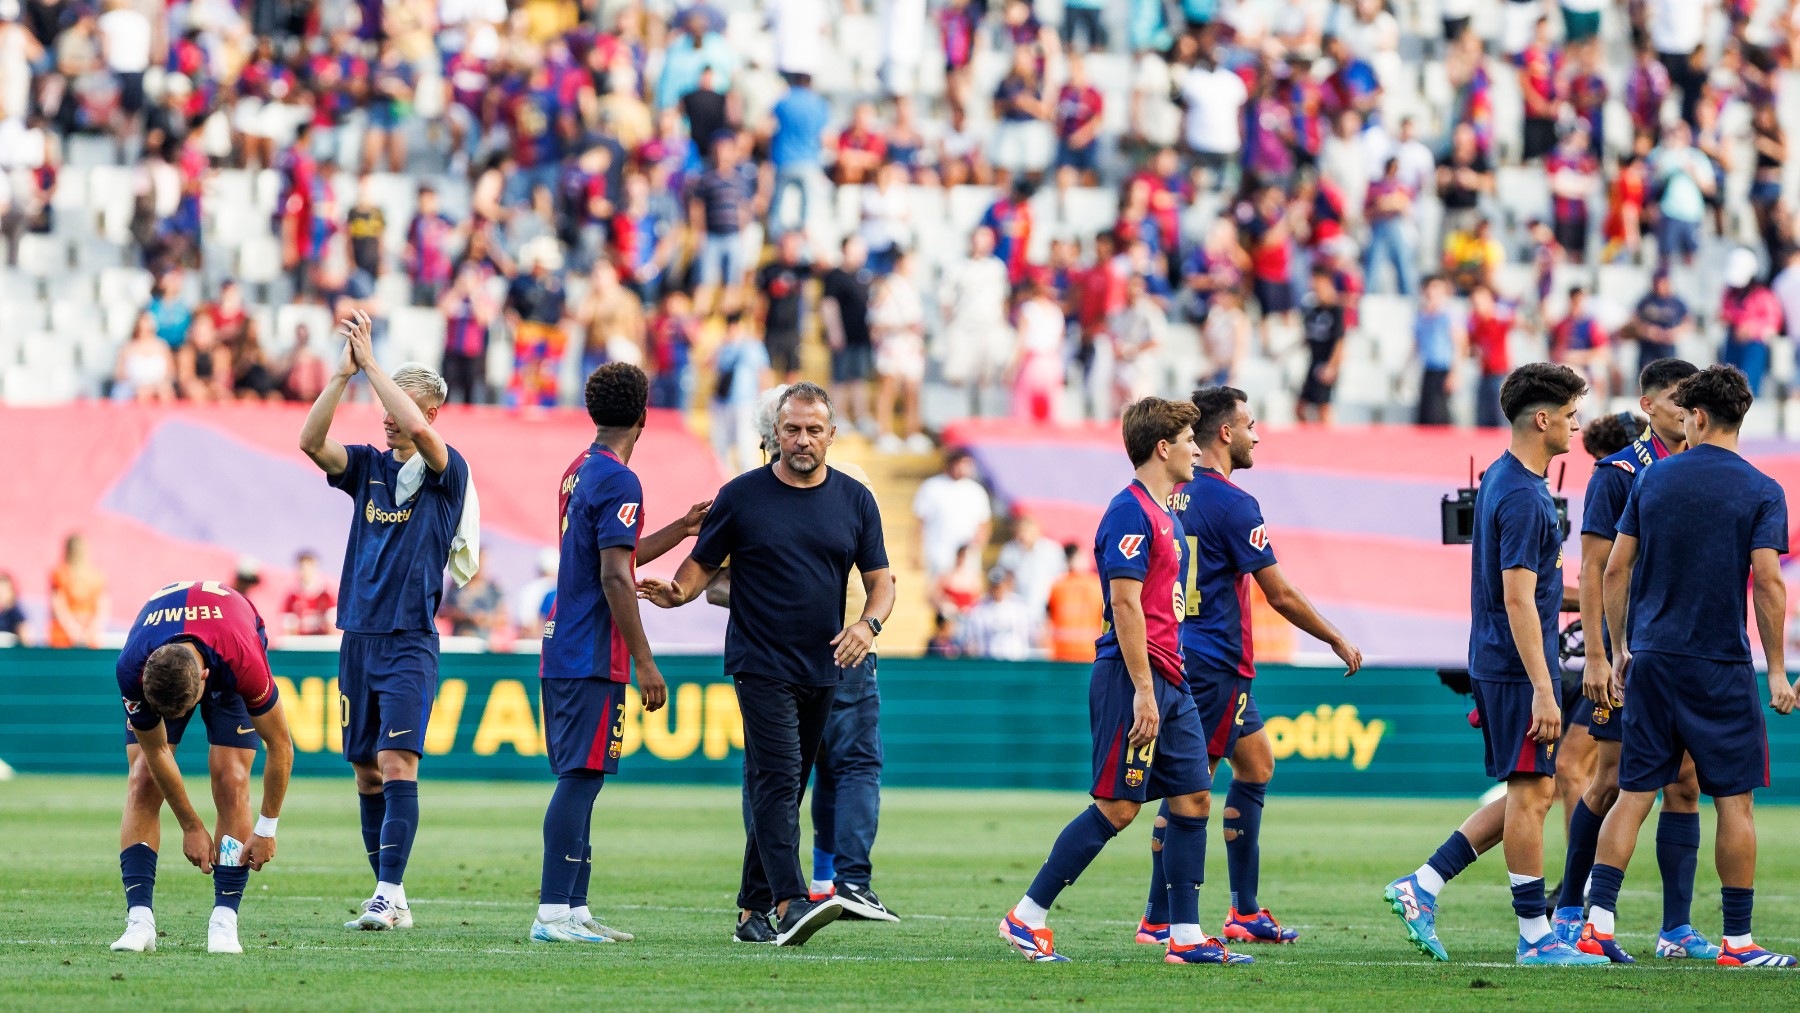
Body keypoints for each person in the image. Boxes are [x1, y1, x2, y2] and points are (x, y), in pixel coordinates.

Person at [638, 382, 894, 947]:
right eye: (791, 429)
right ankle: (791, 901)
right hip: (760, 662)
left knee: (784, 785)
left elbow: (881, 583)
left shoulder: (856, 499)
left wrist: (866, 625)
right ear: (774, 434)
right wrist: (676, 593)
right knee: (778, 780)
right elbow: (700, 568)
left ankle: (751, 910)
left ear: (832, 435)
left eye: (813, 430)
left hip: (825, 665)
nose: (802, 440)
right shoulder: (741, 495)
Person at [999, 397, 1249, 965]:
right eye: (1188, 439)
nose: (1195, 447)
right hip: (1131, 677)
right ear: (1163, 447)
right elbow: (1124, 604)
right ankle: (1025, 916)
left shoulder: (1167, 512)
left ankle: (1184, 937)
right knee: (1118, 807)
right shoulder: (1128, 512)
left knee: (1193, 799)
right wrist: (1142, 690)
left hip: (1171, 676)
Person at [1383, 362, 1606, 967]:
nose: (1575, 425)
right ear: (1542, 419)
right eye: (1569, 414)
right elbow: (1515, 597)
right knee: (1534, 795)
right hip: (1514, 669)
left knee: (1527, 789)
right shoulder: (1523, 495)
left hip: (1501, 662)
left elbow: (1528, 592)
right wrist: (1543, 687)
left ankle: (1422, 885)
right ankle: (1536, 937)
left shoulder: (1509, 483)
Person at [1581, 365, 1797, 968]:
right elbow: (1769, 585)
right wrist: (1776, 670)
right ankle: (1737, 942)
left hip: (1652, 660)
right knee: (1734, 802)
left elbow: (1615, 569)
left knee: (1634, 793)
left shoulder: (1653, 481)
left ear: (1697, 417)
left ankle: (1598, 925)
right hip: (1719, 664)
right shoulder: (1762, 490)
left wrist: (1622, 650)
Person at [1135, 386, 1362, 948]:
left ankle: (1244, 911)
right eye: (1251, 424)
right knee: (1189, 790)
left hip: (1191, 651)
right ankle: (1158, 919)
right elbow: (1279, 594)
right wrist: (1335, 636)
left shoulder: (1172, 494)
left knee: (1257, 766)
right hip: (1215, 662)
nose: (1259, 435)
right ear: (1226, 434)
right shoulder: (1235, 505)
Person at [299, 311, 476, 932]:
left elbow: (425, 437)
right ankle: (389, 895)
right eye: (385, 403)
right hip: (358, 637)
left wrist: (373, 365)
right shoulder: (368, 466)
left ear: (427, 412)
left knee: (399, 761)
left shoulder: (444, 471)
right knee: (366, 769)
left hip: (408, 639)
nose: (388, 414)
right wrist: (342, 376)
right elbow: (310, 442)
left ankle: (388, 890)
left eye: (402, 405)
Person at [532, 362, 707, 944]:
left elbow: (616, 556)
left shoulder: (578, 470)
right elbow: (614, 577)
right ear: (644, 416)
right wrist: (647, 661)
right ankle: (553, 911)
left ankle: (574, 907)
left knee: (585, 776)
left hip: (566, 643)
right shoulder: (620, 481)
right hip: (589, 649)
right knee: (580, 777)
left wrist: (680, 529)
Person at [1553, 358, 1716, 961]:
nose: (1685, 407)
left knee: (1688, 783)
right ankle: (1571, 911)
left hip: (1687, 652)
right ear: (1648, 406)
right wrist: (1598, 656)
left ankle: (1675, 931)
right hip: (1630, 656)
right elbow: (1595, 569)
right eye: (1676, 397)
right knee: (1611, 778)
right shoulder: (1618, 472)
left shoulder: (1706, 471)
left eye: (1692, 398)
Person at [108, 580, 294, 956]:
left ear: (204, 681)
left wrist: (267, 827)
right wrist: (191, 825)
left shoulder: (243, 660)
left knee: (232, 777)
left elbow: (281, 746)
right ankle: (139, 921)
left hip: (229, 636)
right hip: (166, 643)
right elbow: (158, 750)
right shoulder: (131, 667)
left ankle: (224, 921)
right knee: (143, 777)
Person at [822, 236, 876, 436]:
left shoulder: (864, 276)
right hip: (843, 337)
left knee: (860, 378)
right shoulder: (835, 276)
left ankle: (861, 416)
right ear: (845, 250)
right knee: (840, 378)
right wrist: (834, 332)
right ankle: (839, 417)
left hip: (861, 337)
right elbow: (828, 305)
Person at [912, 450, 992, 583]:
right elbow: (920, 521)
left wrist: (979, 545)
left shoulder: (976, 491)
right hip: (938, 553)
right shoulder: (932, 487)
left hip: (967, 557)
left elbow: (984, 523)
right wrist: (916, 551)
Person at [1297, 267, 1347, 425]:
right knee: (1300, 408)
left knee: (1324, 408)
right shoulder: (1312, 310)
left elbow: (1340, 342)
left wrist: (1332, 366)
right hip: (1313, 362)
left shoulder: (1336, 310)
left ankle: (1330, 443)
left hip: (1326, 363)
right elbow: (1307, 338)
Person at [1414, 276, 1465, 426]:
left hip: (1444, 370)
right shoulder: (1422, 315)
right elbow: (1416, 345)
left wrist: (1455, 372)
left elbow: (1459, 344)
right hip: (1428, 369)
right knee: (1426, 417)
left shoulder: (1449, 314)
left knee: (1439, 416)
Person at [997, 513, 1068, 618]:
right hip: (1015, 610)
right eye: (1021, 531)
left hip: (1044, 609)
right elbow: (1003, 580)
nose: (1024, 535)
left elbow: (1062, 578)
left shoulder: (1052, 550)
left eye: (1027, 531)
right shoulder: (1009, 551)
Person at [961, 568, 1038, 661]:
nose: (998, 589)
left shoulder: (1020, 607)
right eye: (995, 586)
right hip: (990, 664)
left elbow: (1034, 635)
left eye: (1000, 585)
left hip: (1016, 663)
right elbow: (971, 640)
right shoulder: (979, 610)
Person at [1046, 545, 1102, 663]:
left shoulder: (1057, 585)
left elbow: (1048, 619)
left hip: (1062, 653)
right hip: (1090, 652)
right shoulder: (1097, 585)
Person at [49, 532, 106, 648]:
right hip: (70, 635)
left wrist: (77, 631)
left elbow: (58, 606)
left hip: (68, 634)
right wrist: (86, 631)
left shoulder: (60, 573)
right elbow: (102, 608)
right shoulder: (96, 575)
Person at [1632, 272, 1689, 367]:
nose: (1659, 286)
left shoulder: (1676, 302)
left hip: (1667, 349)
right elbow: (1634, 320)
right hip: (1648, 348)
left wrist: (1675, 332)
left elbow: (1688, 322)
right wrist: (1648, 331)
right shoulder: (1645, 301)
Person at [280, 550, 335, 637]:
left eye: (309, 567)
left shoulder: (327, 596)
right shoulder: (292, 597)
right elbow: (289, 631)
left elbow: (332, 629)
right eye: (302, 568)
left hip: (322, 646)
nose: (306, 571)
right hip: (301, 646)